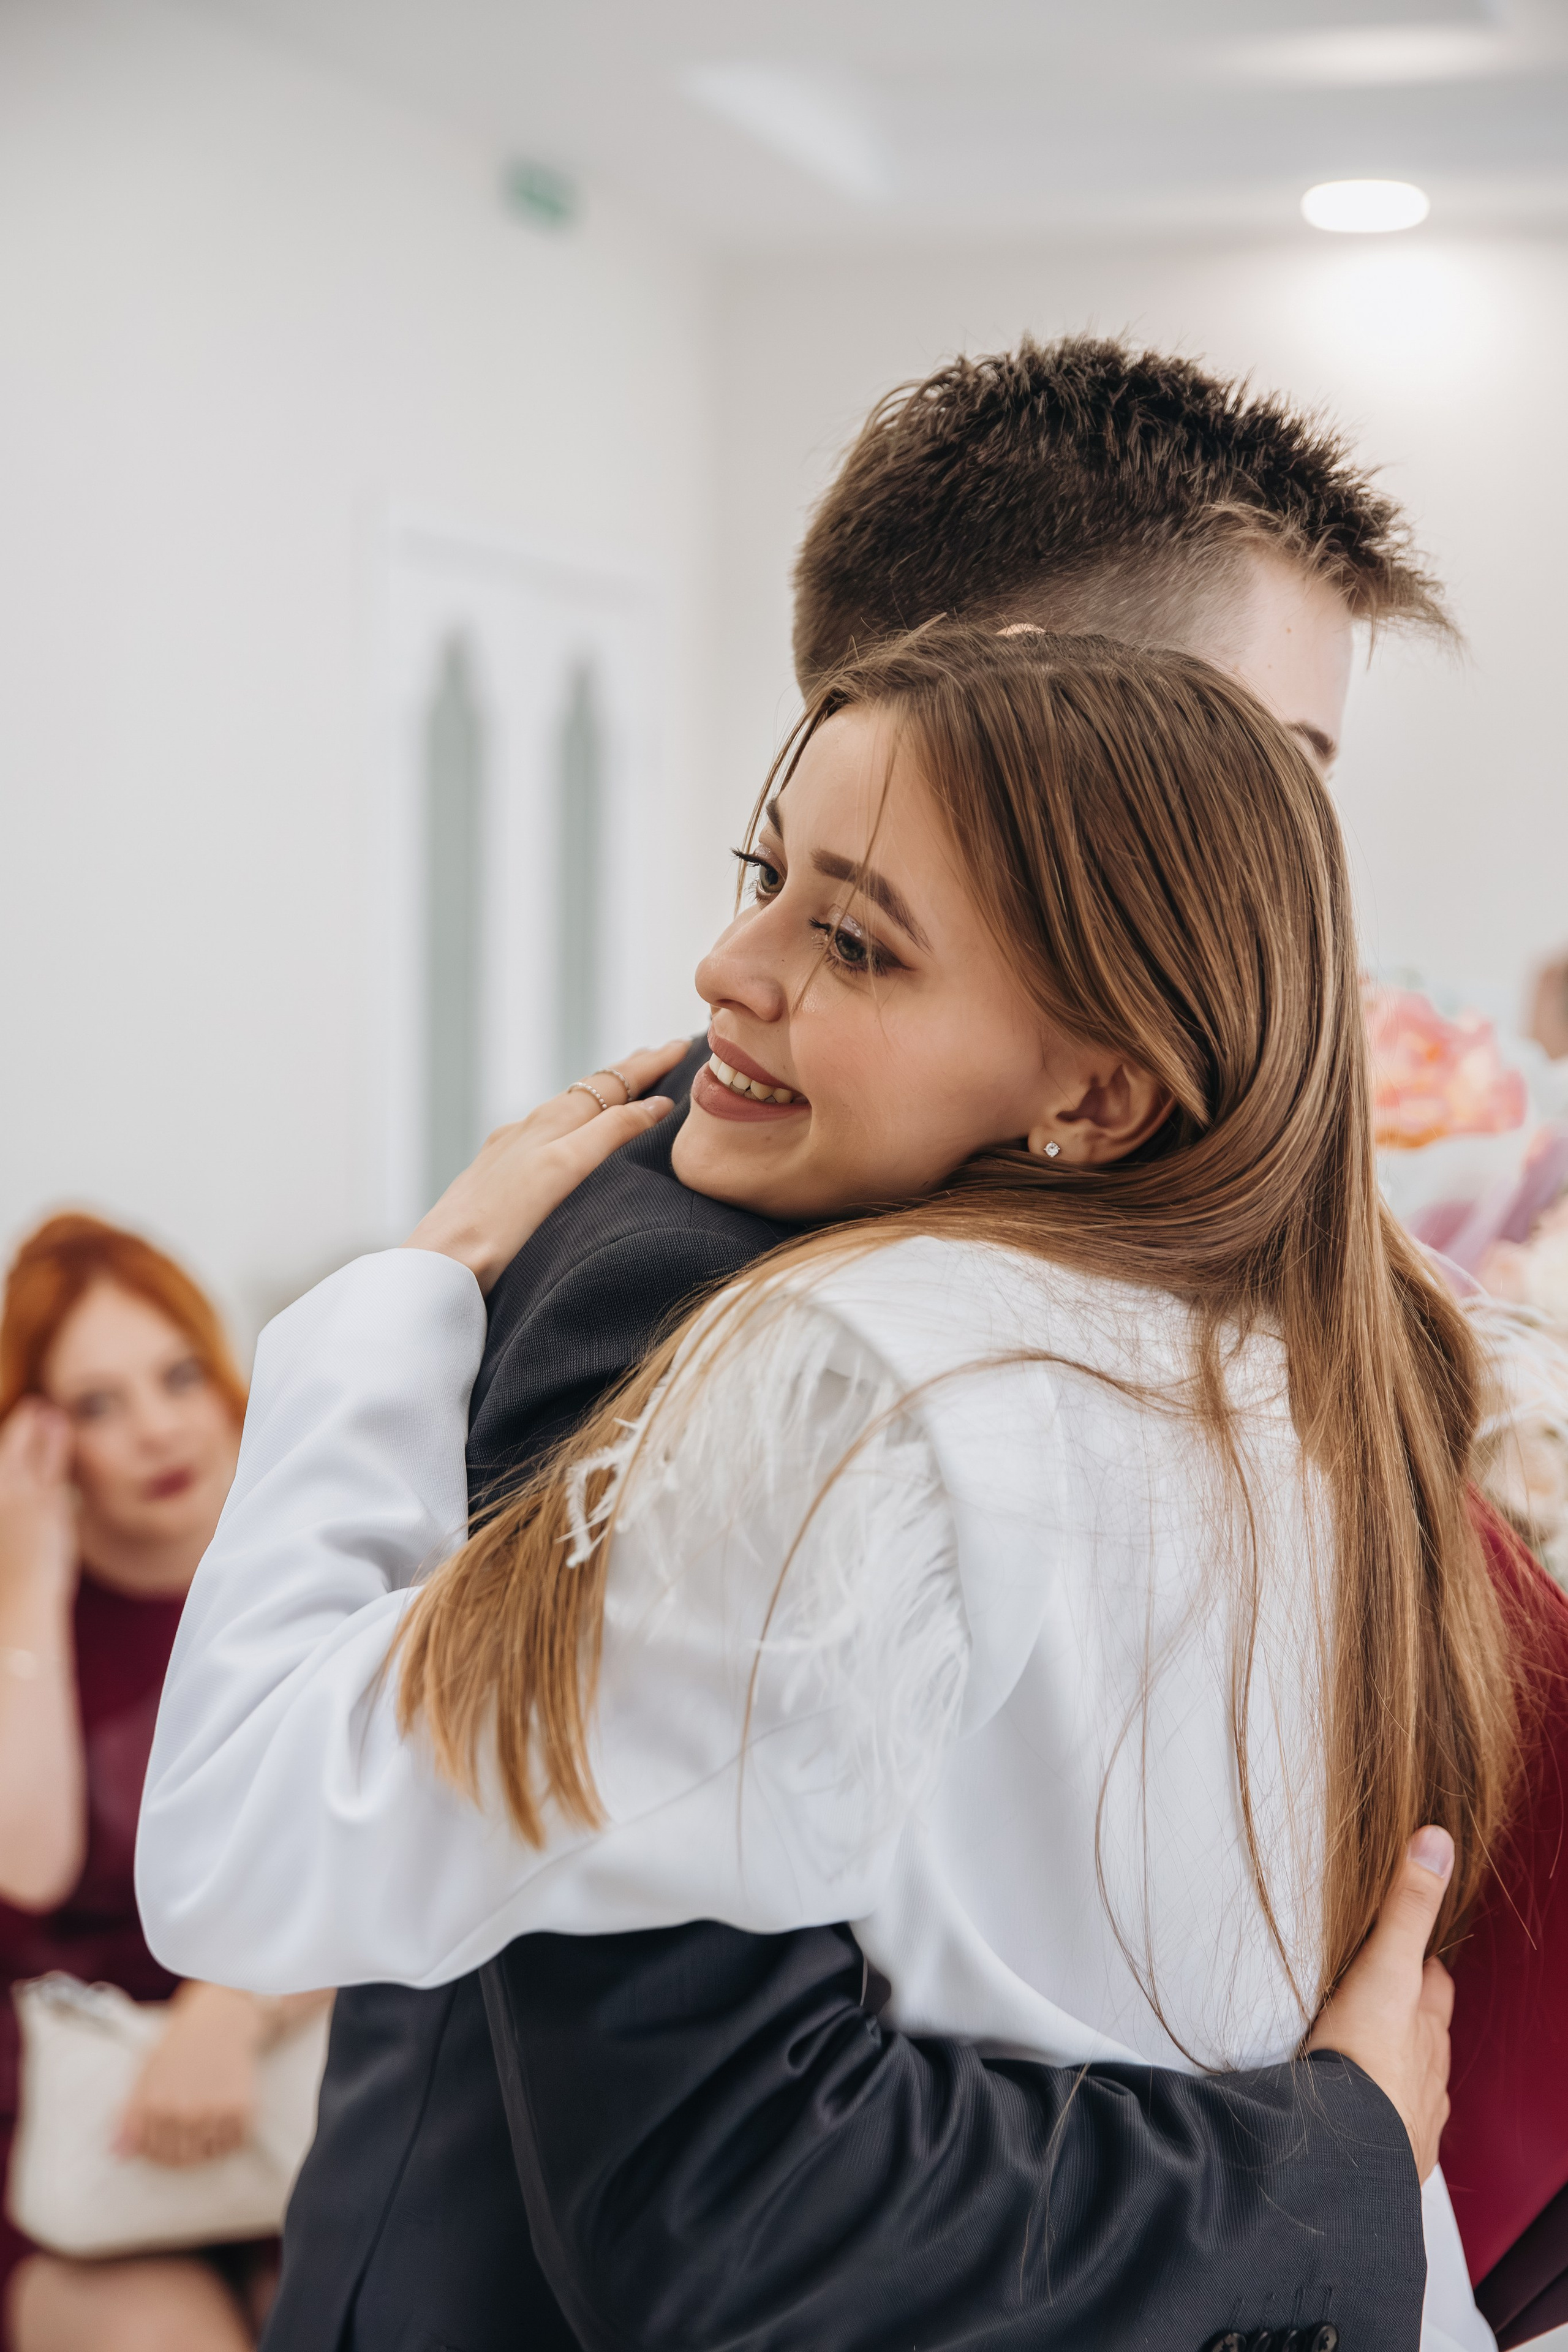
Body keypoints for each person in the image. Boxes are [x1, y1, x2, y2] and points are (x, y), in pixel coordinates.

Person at [248, 334, 1459, 2352]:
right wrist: (1324, 2163)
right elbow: (730, 2171)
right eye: (1262, 764)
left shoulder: (1078, 1234)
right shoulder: (691, 1271)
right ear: (1018, 707)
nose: (1286, 871)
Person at [0, 1215, 324, 2352]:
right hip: (77, 2155)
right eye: (96, 1405)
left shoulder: (323, 1572)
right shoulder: (30, 1627)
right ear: (41, 1440)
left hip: (303, 2097)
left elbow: (409, 1850)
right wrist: (31, 1578)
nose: (154, 1429)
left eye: (178, 1374)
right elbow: (24, 1871)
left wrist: (233, 2007)